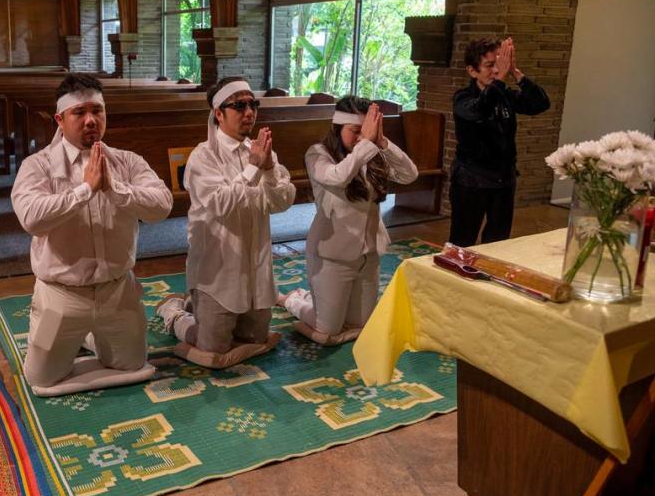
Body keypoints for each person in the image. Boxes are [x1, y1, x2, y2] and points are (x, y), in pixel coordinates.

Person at [10, 73, 173, 391]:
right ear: (60, 119)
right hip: (62, 294)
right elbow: (31, 218)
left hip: (117, 290)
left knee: (131, 365)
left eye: (97, 111)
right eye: (79, 112)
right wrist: (84, 190)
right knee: (41, 379)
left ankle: (90, 334)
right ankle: (80, 332)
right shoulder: (38, 166)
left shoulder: (126, 162)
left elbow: (162, 206)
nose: (90, 120)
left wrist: (115, 190)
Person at [157, 76, 295, 364]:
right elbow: (221, 205)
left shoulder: (260, 152)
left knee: (255, 339)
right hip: (218, 270)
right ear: (218, 114)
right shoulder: (202, 156)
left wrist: (268, 169)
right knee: (213, 347)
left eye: (253, 104)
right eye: (239, 106)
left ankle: (198, 306)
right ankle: (174, 313)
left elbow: (282, 202)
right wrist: (254, 169)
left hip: (256, 266)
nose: (249, 112)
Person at [278, 96, 418, 343]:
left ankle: (321, 304)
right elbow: (337, 177)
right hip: (332, 254)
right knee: (328, 330)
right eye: (355, 131)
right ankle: (293, 300)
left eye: (364, 132)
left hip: (368, 252)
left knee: (361, 324)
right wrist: (367, 144)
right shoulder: (318, 154)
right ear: (337, 128)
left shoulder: (373, 151)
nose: (360, 138)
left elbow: (410, 174)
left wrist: (382, 141)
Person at [449, 37, 550, 246]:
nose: (496, 70)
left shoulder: (505, 95)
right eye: (489, 65)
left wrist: (515, 72)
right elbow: (481, 109)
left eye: (499, 64)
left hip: (503, 180)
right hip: (471, 181)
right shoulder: (463, 98)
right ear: (472, 71)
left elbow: (540, 104)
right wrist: (501, 79)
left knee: (498, 242)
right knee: (462, 241)